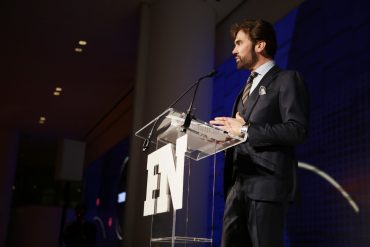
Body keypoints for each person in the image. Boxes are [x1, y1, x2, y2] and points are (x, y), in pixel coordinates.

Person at [210, 19, 309, 247]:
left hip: (266, 186)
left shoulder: (287, 79)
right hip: (236, 188)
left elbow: (297, 130)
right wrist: (226, 140)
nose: (233, 50)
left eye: (238, 43)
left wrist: (244, 129)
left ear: (259, 45)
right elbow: (242, 135)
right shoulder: (241, 92)